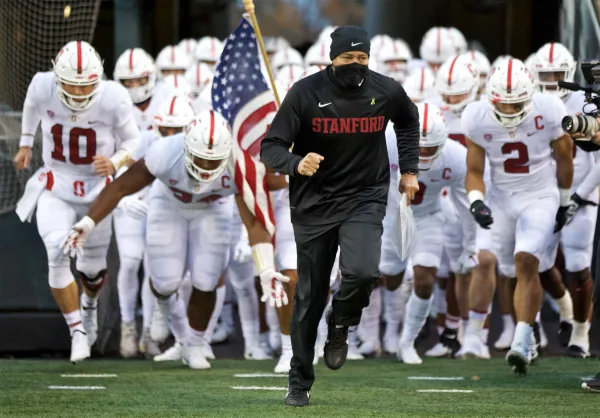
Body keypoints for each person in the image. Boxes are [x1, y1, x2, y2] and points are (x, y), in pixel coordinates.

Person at [260, 25, 420, 407]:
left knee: (364, 271)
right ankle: (299, 382)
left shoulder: (385, 89)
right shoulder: (305, 92)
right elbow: (270, 147)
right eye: (348, 58)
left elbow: (409, 120)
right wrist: (297, 163)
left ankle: (340, 322)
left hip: (365, 197)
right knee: (308, 297)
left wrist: (410, 169)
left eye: (362, 58)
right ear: (331, 58)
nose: (355, 65)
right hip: (314, 204)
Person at [60, 110, 291, 370]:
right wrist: (88, 223)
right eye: (201, 159)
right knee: (165, 280)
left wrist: (267, 268)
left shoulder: (241, 165)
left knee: (207, 279)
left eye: (213, 161)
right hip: (169, 203)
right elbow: (121, 187)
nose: (206, 167)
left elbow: (254, 222)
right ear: (187, 146)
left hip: (213, 209)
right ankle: (163, 303)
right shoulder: (166, 152)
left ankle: (193, 344)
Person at [13, 40, 141, 363]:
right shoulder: (43, 86)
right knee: (57, 252)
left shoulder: (113, 97)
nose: (81, 93)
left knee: (93, 272)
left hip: (99, 190)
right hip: (56, 184)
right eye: (73, 84)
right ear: (58, 78)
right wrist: (26, 143)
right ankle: (77, 332)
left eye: (87, 86)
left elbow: (134, 141)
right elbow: (30, 106)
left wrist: (115, 162)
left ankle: (89, 306)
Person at [464, 58, 573, 375]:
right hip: (502, 197)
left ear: (531, 96)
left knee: (527, 260)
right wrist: (476, 202)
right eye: (504, 105)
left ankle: (522, 340)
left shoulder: (550, 109)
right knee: (509, 271)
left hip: (540, 194)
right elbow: (474, 169)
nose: (510, 112)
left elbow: (564, 157)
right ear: (491, 99)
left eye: (517, 104)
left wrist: (565, 201)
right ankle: (530, 338)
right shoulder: (477, 117)